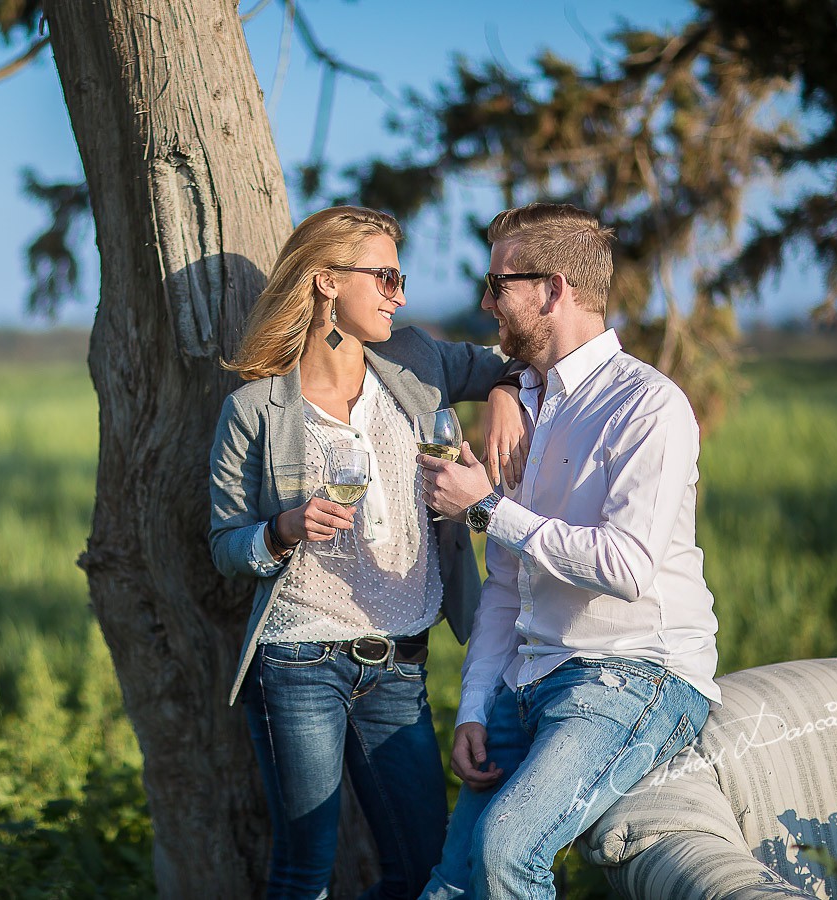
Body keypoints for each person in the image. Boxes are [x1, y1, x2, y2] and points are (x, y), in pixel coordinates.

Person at [208, 206, 529, 900]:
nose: (400, 294)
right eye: (384, 277)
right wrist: (282, 529)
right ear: (325, 281)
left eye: (400, 278)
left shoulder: (416, 358)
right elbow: (225, 543)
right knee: (304, 872)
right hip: (298, 659)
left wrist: (501, 394)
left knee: (421, 869)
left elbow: (523, 357)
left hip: (401, 665)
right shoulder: (256, 409)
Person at [416, 202, 721, 900]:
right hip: (527, 681)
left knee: (507, 851)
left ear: (553, 289)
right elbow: (505, 586)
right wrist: (474, 704)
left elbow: (625, 566)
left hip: (637, 674)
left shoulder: (648, 405)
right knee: (451, 886)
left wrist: (488, 508)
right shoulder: (523, 408)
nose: (487, 301)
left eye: (499, 284)